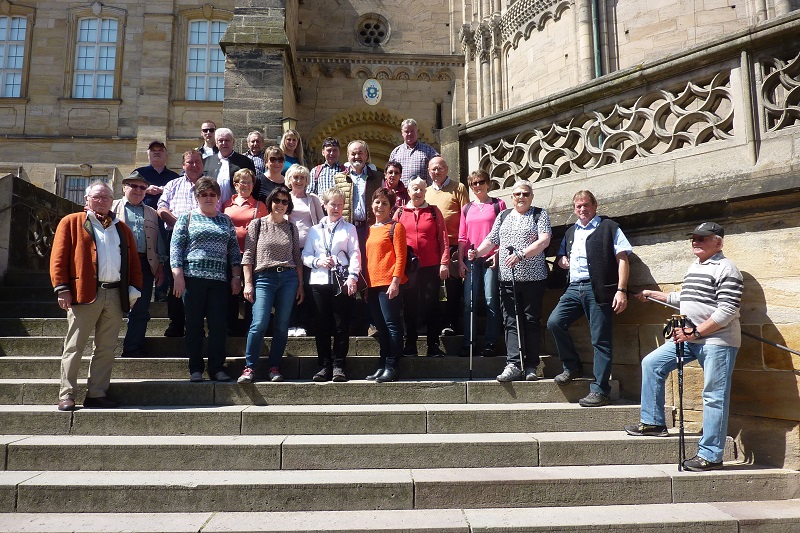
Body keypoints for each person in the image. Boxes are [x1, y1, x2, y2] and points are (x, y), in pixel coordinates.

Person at [626, 222, 743, 472]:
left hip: (716, 342)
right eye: (694, 238)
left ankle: (711, 455)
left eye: (702, 238)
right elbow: (686, 298)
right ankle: (654, 422)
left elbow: (728, 310)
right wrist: (654, 294)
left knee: (714, 396)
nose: (695, 242)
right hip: (690, 338)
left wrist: (697, 332)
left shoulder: (727, 269)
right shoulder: (695, 266)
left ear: (718, 242)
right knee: (652, 363)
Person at [50, 181, 142, 411]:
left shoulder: (121, 227)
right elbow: (58, 258)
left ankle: (97, 393)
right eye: (97, 197)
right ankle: (67, 394)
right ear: (87, 199)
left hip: (114, 295)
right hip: (84, 294)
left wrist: (134, 289)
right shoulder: (71, 222)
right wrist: (62, 288)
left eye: (106, 198)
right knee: (74, 346)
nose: (102, 202)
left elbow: (134, 264)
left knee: (106, 347)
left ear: (113, 201)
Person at [546, 190, 632, 407]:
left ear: (595, 205)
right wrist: (561, 260)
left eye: (586, 205)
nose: (582, 210)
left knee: (600, 339)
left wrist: (621, 290)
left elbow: (623, 259)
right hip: (574, 288)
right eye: (578, 206)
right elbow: (561, 257)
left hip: (599, 289)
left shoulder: (609, 227)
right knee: (554, 322)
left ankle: (600, 389)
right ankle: (572, 366)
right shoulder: (570, 232)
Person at [469, 181, 551, 381]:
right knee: (510, 321)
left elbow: (544, 240)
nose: (521, 197)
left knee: (531, 321)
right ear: (512, 198)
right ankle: (514, 363)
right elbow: (491, 239)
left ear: (531, 196)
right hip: (507, 278)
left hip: (533, 278)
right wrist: (477, 252)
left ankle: (531, 365)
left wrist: (522, 255)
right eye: (516, 194)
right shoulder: (504, 215)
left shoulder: (540, 214)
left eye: (525, 194)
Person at [170, 177, 242, 382]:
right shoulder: (187, 218)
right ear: (197, 197)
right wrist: (178, 276)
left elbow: (234, 251)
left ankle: (217, 367)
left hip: (219, 281)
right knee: (193, 325)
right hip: (192, 280)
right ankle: (195, 368)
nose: (208, 198)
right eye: (204, 194)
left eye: (212, 194)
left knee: (218, 325)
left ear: (218, 197)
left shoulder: (225, 220)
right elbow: (176, 248)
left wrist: (236, 276)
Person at [238, 186, 304, 384]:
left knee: (282, 325)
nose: (280, 205)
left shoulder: (291, 227)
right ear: (270, 203)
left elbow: (297, 258)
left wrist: (300, 284)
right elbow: (248, 255)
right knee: (259, 323)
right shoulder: (257, 225)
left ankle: (274, 367)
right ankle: (249, 367)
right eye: (277, 201)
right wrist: (247, 283)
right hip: (263, 278)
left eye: (285, 202)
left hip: (288, 278)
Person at [302, 187, 361, 382]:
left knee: (340, 325)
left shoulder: (349, 228)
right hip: (319, 281)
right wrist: (318, 262)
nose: (336, 208)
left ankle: (339, 365)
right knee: (321, 325)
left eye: (339, 204)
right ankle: (324, 365)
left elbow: (355, 253)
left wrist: (353, 277)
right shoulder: (314, 230)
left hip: (341, 281)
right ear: (324, 205)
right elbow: (305, 256)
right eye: (332, 204)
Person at [112, 170, 166, 357]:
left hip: (144, 263)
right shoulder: (112, 208)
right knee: (111, 306)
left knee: (141, 308)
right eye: (133, 186)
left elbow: (157, 240)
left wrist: (159, 265)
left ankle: (133, 348)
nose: (138, 190)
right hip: (117, 263)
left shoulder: (151, 212)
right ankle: (106, 347)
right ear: (124, 187)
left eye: (142, 187)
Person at [393, 177, 448, 357]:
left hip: (431, 265)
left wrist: (444, 262)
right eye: (414, 189)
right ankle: (410, 345)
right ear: (408, 191)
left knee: (432, 305)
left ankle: (433, 345)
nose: (417, 192)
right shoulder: (400, 212)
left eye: (421, 189)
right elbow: (391, 239)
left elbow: (443, 238)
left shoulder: (433, 211)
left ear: (426, 192)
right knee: (409, 306)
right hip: (409, 267)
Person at [457, 170, 506, 358]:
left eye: (481, 182)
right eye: (474, 183)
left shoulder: (497, 204)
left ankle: (491, 343)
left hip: (491, 257)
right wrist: (460, 260)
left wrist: (499, 254)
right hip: (471, 259)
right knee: (469, 303)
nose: (478, 186)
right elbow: (462, 237)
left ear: (488, 183)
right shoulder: (467, 208)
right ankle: (469, 343)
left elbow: (504, 231)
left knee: (490, 300)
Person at [157, 150, 205, 338]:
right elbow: (161, 208)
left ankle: (197, 325)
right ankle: (176, 323)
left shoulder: (209, 184)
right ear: (183, 165)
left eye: (197, 162)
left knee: (199, 284)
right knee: (175, 280)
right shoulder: (172, 184)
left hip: (201, 240)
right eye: (189, 162)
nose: (194, 165)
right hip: (174, 238)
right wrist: (180, 226)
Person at [364, 187, 408, 383]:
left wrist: (396, 282)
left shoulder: (395, 227)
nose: (379, 206)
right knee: (380, 327)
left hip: (389, 284)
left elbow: (401, 257)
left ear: (391, 207)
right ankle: (382, 364)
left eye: (384, 203)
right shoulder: (371, 229)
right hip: (373, 285)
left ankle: (392, 365)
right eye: (377, 202)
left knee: (392, 326)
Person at [424, 156, 469, 339]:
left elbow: (466, 217)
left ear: (447, 168)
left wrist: (462, 246)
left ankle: (451, 323)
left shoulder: (458, 188)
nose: (436, 172)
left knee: (453, 287)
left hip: (452, 245)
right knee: (431, 288)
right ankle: (431, 324)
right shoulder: (426, 192)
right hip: (433, 247)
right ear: (429, 171)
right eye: (433, 169)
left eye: (440, 168)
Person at [222, 168, 268, 336]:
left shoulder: (259, 205)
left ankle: (251, 326)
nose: (247, 185)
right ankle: (230, 326)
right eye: (243, 182)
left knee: (251, 291)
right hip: (229, 253)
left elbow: (264, 229)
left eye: (250, 182)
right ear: (236, 184)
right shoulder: (226, 204)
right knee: (231, 291)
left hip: (251, 254)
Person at [133, 140, 179, 302]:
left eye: (160, 150)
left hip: (166, 222)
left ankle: (161, 291)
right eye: (153, 151)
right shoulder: (139, 173)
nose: (157, 152)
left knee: (165, 254)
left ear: (166, 155)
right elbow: (128, 193)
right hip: (143, 220)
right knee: (145, 254)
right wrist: (146, 189)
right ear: (148, 154)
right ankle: (140, 290)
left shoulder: (174, 177)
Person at [287, 164, 324, 337]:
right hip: (289, 249)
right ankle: (291, 323)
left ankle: (303, 323)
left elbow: (322, 222)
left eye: (302, 178)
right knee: (292, 285)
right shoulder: (284, 198)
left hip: (310, 250)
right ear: (289, 180)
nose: (299, 181)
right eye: (295, 177)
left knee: (308, 286)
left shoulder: (313, 199)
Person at [333, 140, 383, 248]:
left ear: (366, 155)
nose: (357, 156)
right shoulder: (339, 179)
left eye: (360, 153)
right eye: (353, 154)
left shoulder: (378, 178)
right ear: (348, 156)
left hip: (370, 229)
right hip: (347, 229)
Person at [203, 127, 256, 206]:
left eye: (227, 140)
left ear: (233, 142)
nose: (224, 143)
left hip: (237, 207)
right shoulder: (206, 162)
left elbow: (253, 185)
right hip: (212, 207)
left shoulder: (245, 162)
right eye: (221, 141)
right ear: (216, 143)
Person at [388, 118, 440, 186]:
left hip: (423, 194)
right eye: (406, 131)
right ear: (402, 133)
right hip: (401, 195)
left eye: (412, 131)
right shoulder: (395, 153)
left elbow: (439, 167)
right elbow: (389, 174)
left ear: (416, 131)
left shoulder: (429, 151)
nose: (409, 134)